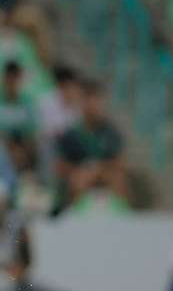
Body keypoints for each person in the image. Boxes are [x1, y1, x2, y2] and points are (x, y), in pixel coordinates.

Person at [53, 79, 128, 215]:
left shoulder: (111, 132)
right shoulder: (71, 134)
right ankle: (74, 216)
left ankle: (122, 216)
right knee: (78, 179)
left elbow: (119, 161)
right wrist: (84, 170)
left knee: (118, 179)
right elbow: (61, 166)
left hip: (104, 174)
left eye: (97, 100)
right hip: (80, 174)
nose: (93, 105)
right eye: (89, 100)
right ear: (82, 103)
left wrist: (97, 169)